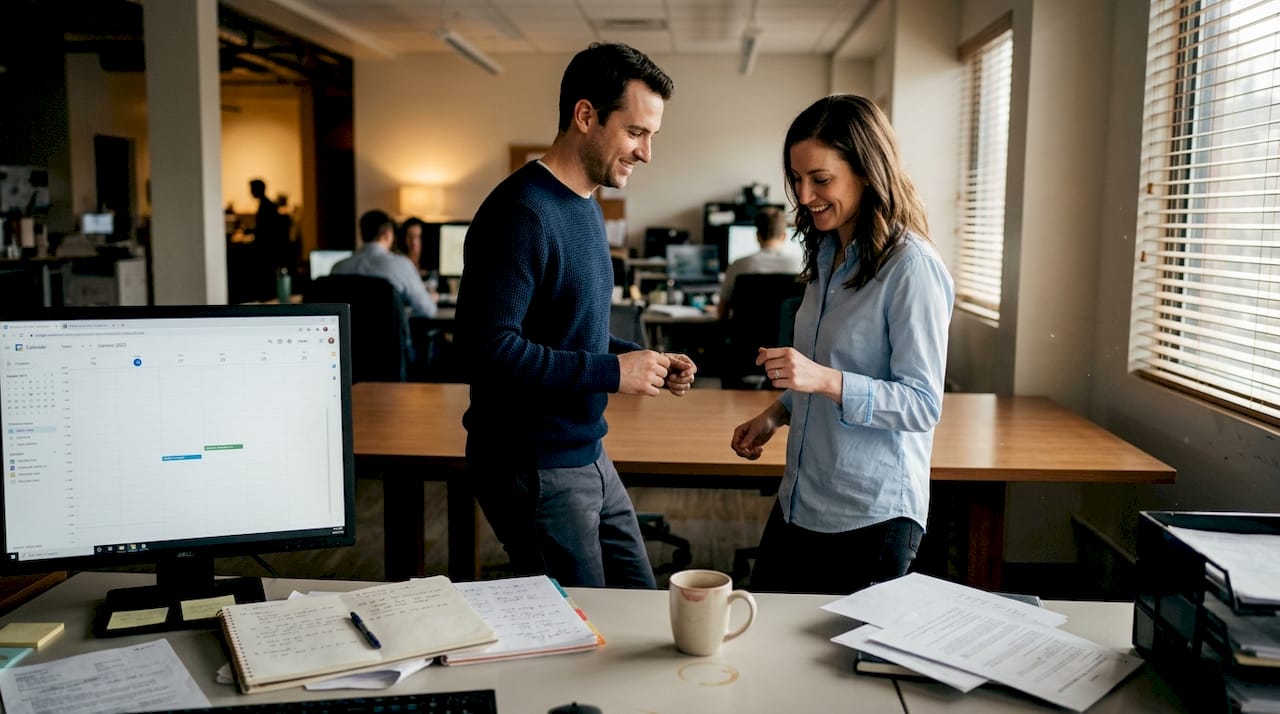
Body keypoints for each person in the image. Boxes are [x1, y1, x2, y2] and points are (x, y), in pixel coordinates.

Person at [455, 43, 695, 589]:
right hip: (533, 462)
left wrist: (640, 359)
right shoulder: (521, 212)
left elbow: (568, 331)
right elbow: (484, 349)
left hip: (584, 450)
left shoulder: (585, 205)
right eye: (636, 132)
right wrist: (612, 372)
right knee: (587, 625)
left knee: (640, 600)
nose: (646, 153)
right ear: (586, 115)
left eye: (652, 136)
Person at [730, 95, 955, 595]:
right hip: (801, 497)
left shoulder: (911, 267)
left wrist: (822, 379)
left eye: (820, 179)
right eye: (796, 179)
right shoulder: (826, 253)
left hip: (869, 514)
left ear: (867, 172)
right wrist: (775, 414)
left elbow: (922, 404)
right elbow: (826, 370)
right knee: (766, 631)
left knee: (832, 650)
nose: (804, 195)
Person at [332, 210, 438, 318]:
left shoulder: (337, 268)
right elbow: (428, 310)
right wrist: (430, 299)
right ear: (387, 234)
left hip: (352, 329)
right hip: (389, 329)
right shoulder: (402, 265)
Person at [717, 205, 804, 319]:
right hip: (786, 330)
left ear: (757, 236)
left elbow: (722, 314)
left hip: (747, 330)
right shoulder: (801, 266)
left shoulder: (737, 266)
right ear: (784, 236)